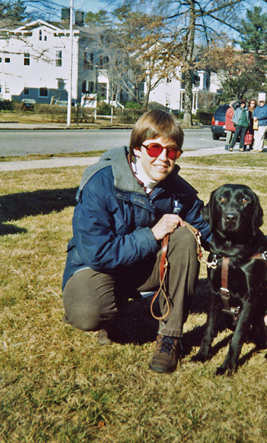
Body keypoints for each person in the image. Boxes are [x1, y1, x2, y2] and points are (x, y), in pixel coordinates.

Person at [62, 109, 211, 374]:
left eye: (172, 151)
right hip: (97, 268)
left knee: (185, 238)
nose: (163, 158)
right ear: (137, 149)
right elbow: (97, 253)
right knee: (87, 312)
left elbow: (206, 229)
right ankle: (113, 315)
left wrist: (251, 249)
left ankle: (170, 338)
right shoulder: (101, 183)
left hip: (143, 267)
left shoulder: (179, 190)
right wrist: (153, 233)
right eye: (154, 149)